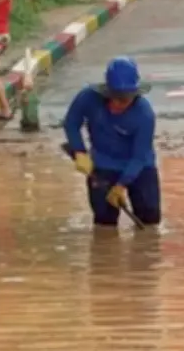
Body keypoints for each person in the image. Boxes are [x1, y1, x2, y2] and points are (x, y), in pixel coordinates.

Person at [62, 56, 160, 228]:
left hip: (139, 168)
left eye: (124, 100)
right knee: (104, 226)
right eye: (113, 97)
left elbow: (139, 156)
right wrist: (79, 151)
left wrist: (121, 185)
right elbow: (71, 122)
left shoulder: (144, 115)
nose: (117, 104)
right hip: (103, 167)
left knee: (150, 222)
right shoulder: (88, 97)